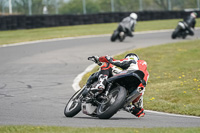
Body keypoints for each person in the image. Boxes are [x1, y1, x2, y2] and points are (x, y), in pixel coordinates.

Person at [86, 53, 149, 118]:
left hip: (129, 77)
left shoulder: (133, 61)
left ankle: (101, 84)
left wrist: (101, 59)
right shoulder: (146, 73)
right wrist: (138, 110)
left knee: (107, 65)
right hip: (137, 88)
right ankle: (128, 107)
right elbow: (140, 111)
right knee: (138, 110)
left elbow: (117, 62)